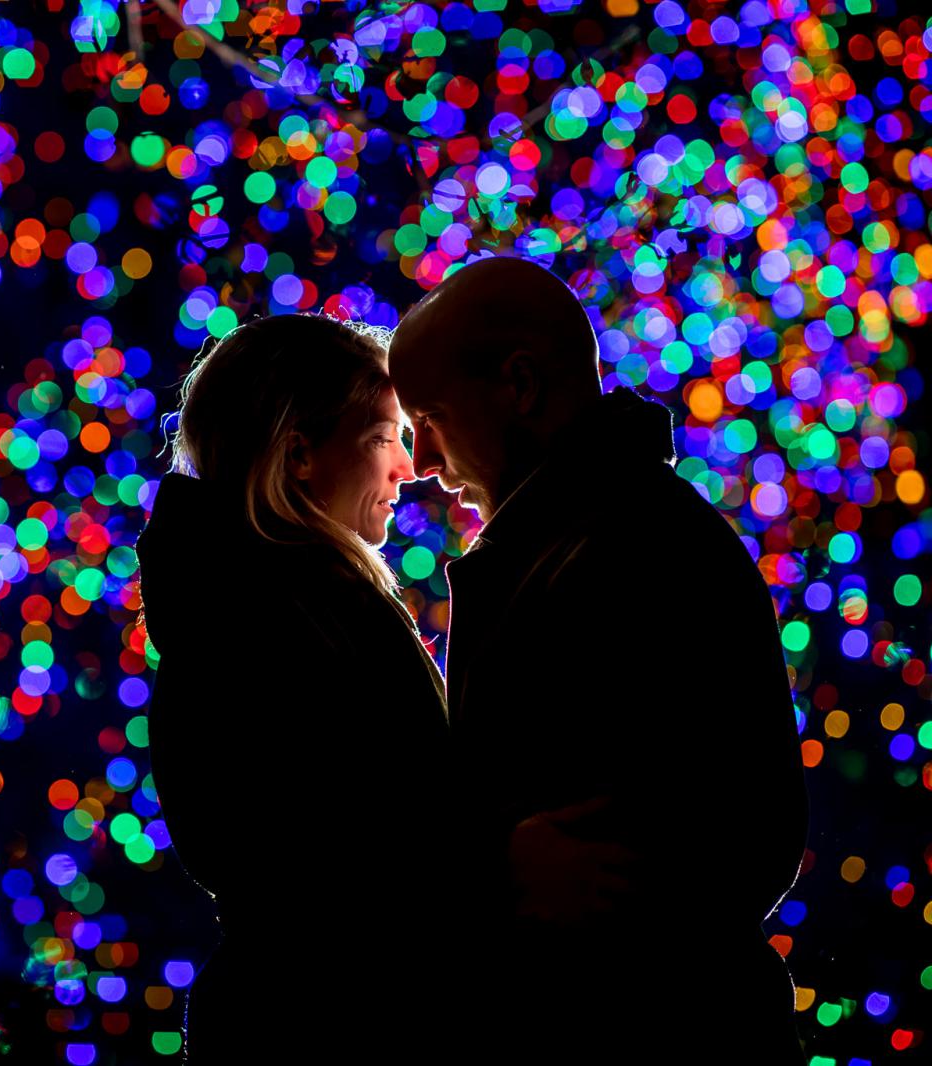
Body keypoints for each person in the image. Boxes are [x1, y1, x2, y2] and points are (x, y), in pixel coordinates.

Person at [388, 255, 809, 1063]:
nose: (427, 461)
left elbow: (731, 833)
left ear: (519, 385)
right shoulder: (591, 541)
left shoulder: (635, 553)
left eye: (432, 418)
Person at [135, 313, 452, 1061]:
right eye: (384, 437)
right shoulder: (275, 622)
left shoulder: (255, 602)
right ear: (300, 453)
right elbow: (373, 850)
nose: (406, 468)